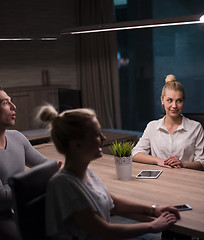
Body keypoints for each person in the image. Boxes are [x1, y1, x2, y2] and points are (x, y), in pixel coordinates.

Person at [37, 104, 180, 239]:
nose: (103, 138)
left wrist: (153, 209)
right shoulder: (64, 184)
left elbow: (113, 202)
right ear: (77, 144)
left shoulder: (86, 171)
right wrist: (152, 226)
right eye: (96, 134)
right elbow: (105, 232)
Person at [0, 87, 48, 240]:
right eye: (5, 103)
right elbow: (1, 198)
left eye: (11, 101)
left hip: (24, 208)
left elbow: (45, 166)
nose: (14, 107)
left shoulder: (17, 137)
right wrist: (36, 183)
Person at [132, 74, 204, 171]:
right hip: (161, 179)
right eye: (169, 100)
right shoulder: (152, 126)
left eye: (179, 101)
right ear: (162, 100)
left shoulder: (196, 127)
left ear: (183, 101)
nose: (174, 105)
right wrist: (159, 161)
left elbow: (202, 163)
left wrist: (182, 164)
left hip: (186, 179)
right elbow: (135, 154)